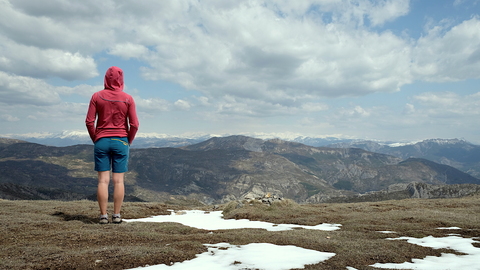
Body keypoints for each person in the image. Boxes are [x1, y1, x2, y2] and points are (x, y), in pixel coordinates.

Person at [85, 66, 139, 224]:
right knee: (119, 181)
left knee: (103, 181)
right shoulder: (128, 98)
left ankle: (103, 216)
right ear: (121, 79)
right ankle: (116, 215)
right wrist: (128, 140)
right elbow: (134, 124)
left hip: (101, 141)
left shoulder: (96, 96)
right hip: (121, 140)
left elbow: (89, 121)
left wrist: (96, 138)